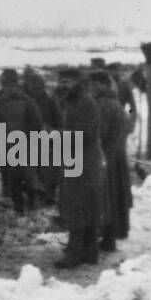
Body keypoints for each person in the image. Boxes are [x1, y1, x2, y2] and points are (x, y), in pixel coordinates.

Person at [54, 71, 106, 268]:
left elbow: (87, 134)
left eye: (67, 80)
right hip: (78, 159)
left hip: (84, 161)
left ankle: (76, 253)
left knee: (79, 206)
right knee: (84, 206)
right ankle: (88, 251)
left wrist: (58, 135)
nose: (63, 84)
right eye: (61, 80)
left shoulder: (84, 102)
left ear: (76, 82)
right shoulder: (72, 101)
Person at [88, 70, 132, 253]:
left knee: (106, 199)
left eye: (97, 84)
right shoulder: (115, 102)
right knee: (114, 199)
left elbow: (99, 134)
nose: (93, 88)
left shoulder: (103, 104)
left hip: (106, 159)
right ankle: (109, 238)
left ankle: (107, 239)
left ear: (106, 85)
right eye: (91, 84)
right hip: (116, 157)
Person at [0, 69, 44, 214]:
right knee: (12, 180)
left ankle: (32, 203)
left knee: (29, 177)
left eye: (12, 84)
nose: (9, 88)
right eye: (6, 85)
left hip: (25, 145)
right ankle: (19, 207)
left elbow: (37, 124)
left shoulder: (27, 101)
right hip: (6, 146)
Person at [21, 66, 62, 205]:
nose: (36, 89)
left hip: (46, 138)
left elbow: (58, 121)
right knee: (31, 171)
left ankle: (48, 195)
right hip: (29, 138)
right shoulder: (25, 101)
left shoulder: (50, 101)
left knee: (48, 171)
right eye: (33, 86)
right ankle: (34, 195)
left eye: (38, 87)